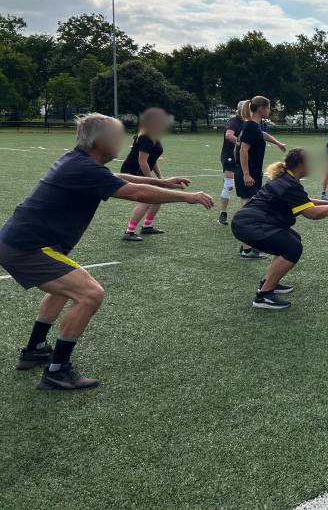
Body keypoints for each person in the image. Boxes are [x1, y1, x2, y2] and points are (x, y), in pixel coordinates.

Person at [0, 113, 213, 391]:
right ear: (100, 141)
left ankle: (35, 349)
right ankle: (57, 371)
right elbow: (135, 192)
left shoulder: (78, 160)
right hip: (28, 248)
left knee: (63, 289)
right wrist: (188, 197)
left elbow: (117, 176)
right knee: (90, 294)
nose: (122, 141)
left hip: (22, 244)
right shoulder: (82, 167)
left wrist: (163, 182)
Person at [231, 149, 328, 310]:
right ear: (301, 165)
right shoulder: (289, 184)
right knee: (292, 247)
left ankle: (269, 282)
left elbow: (305, 201)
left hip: (248, 222)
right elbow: (312, 214)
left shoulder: (286, 179)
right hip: (250, 225)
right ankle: (263, 296)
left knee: (292, 239)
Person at [235, 95, 285, 258]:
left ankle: (248, 247)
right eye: (269, 108)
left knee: (249, 208)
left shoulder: (253, 126)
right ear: (262, 109)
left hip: (252, 174)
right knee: (248, 210)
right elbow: (243, 150)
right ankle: (247, 249)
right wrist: (246, 174)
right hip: (247, 175)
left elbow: (262, 135)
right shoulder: (250, 126)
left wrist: (277, 143)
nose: (269, 111)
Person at [120, 107, 172, 241]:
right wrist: (151, 180)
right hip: (132, 172)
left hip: (141, 170)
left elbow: (152, 159)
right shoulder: (146, 137)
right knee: (147, 197)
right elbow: (142, 161)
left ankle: (147, 226)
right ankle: (129, 231)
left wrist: (160, 178)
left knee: (159, 194)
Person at [217, 100, 248, 226]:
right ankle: (223, 214)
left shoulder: (247, 122)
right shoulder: (234, 121)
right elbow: (229, 135)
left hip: (242, 157)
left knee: (246, 186)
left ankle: (245, 216)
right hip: (230, 156)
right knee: (229, 185)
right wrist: (241, 143)